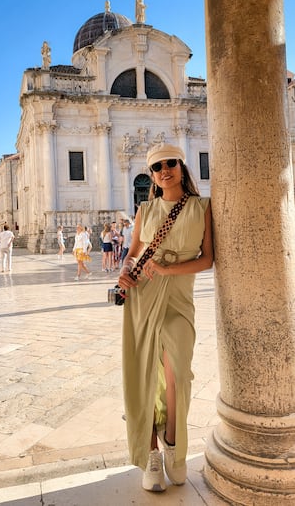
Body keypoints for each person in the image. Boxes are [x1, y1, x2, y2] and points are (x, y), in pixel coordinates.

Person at [117, 143, 213, 493]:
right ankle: (151, 454)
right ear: (152, 176)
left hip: (178, 299)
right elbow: (132, 254)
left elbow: (207, 259)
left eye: (170, 163)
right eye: (156, 167)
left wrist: (168, 269)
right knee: (142, 375)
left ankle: (174, 443)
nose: (164, 170)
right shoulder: (145, 208)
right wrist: (124, 272)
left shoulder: (202, 207)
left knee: (177, 373)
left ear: (182, 166)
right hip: (142, 296)